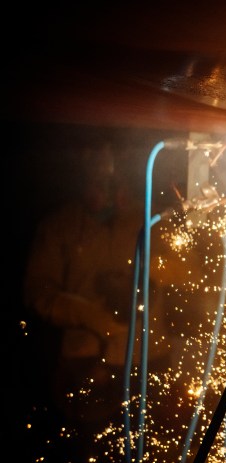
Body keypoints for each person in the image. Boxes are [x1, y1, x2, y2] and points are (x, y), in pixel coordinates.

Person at [23, 142, 178, 461]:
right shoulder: (60, 225)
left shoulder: (148, 219)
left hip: (149, 357)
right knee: (91, 451)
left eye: (112, 167)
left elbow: (185, 271)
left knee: (153, 447)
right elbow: (37, 292)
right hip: (87, 361)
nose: (105, 179)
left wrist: (152, 269)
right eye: (96, 167)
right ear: (82, 167)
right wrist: (87, 313)